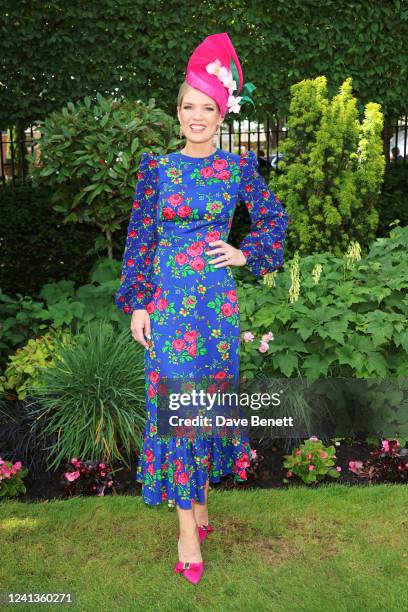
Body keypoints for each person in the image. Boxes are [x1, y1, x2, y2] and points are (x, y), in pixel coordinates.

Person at [114, 32, 289, 585]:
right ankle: (187, 530)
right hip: (166, 306)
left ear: (222, 112)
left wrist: (245, 252)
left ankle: (201, 503)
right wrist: (139, 304)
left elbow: (275, 222)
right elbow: (139, 240)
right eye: (188, 106)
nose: (196, 116)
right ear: (179, 111)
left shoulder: (237, 170)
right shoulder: (156, 170)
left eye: (207, 108)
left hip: (214, 305)